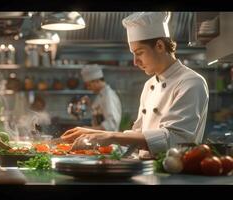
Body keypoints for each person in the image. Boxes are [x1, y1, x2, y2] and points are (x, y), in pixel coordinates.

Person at [61, 12, 209, 158]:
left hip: (175, 175)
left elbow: (176, 139)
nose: (135, 62)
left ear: (159, 46)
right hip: (146, 171)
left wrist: (111, 135)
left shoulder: (191, 82)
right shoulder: (149, 85)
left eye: (139, 52)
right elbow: (138, 135)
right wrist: (94, 134)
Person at [80, 65, 122, 131]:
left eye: (89, 85)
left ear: (96, 81)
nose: (88, 88)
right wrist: (90, 104)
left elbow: (111, 125)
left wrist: (89, 130)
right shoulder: (101, 95)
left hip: (108, 140)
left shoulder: (109, 96)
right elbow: (100, 114)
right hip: (101, 139)